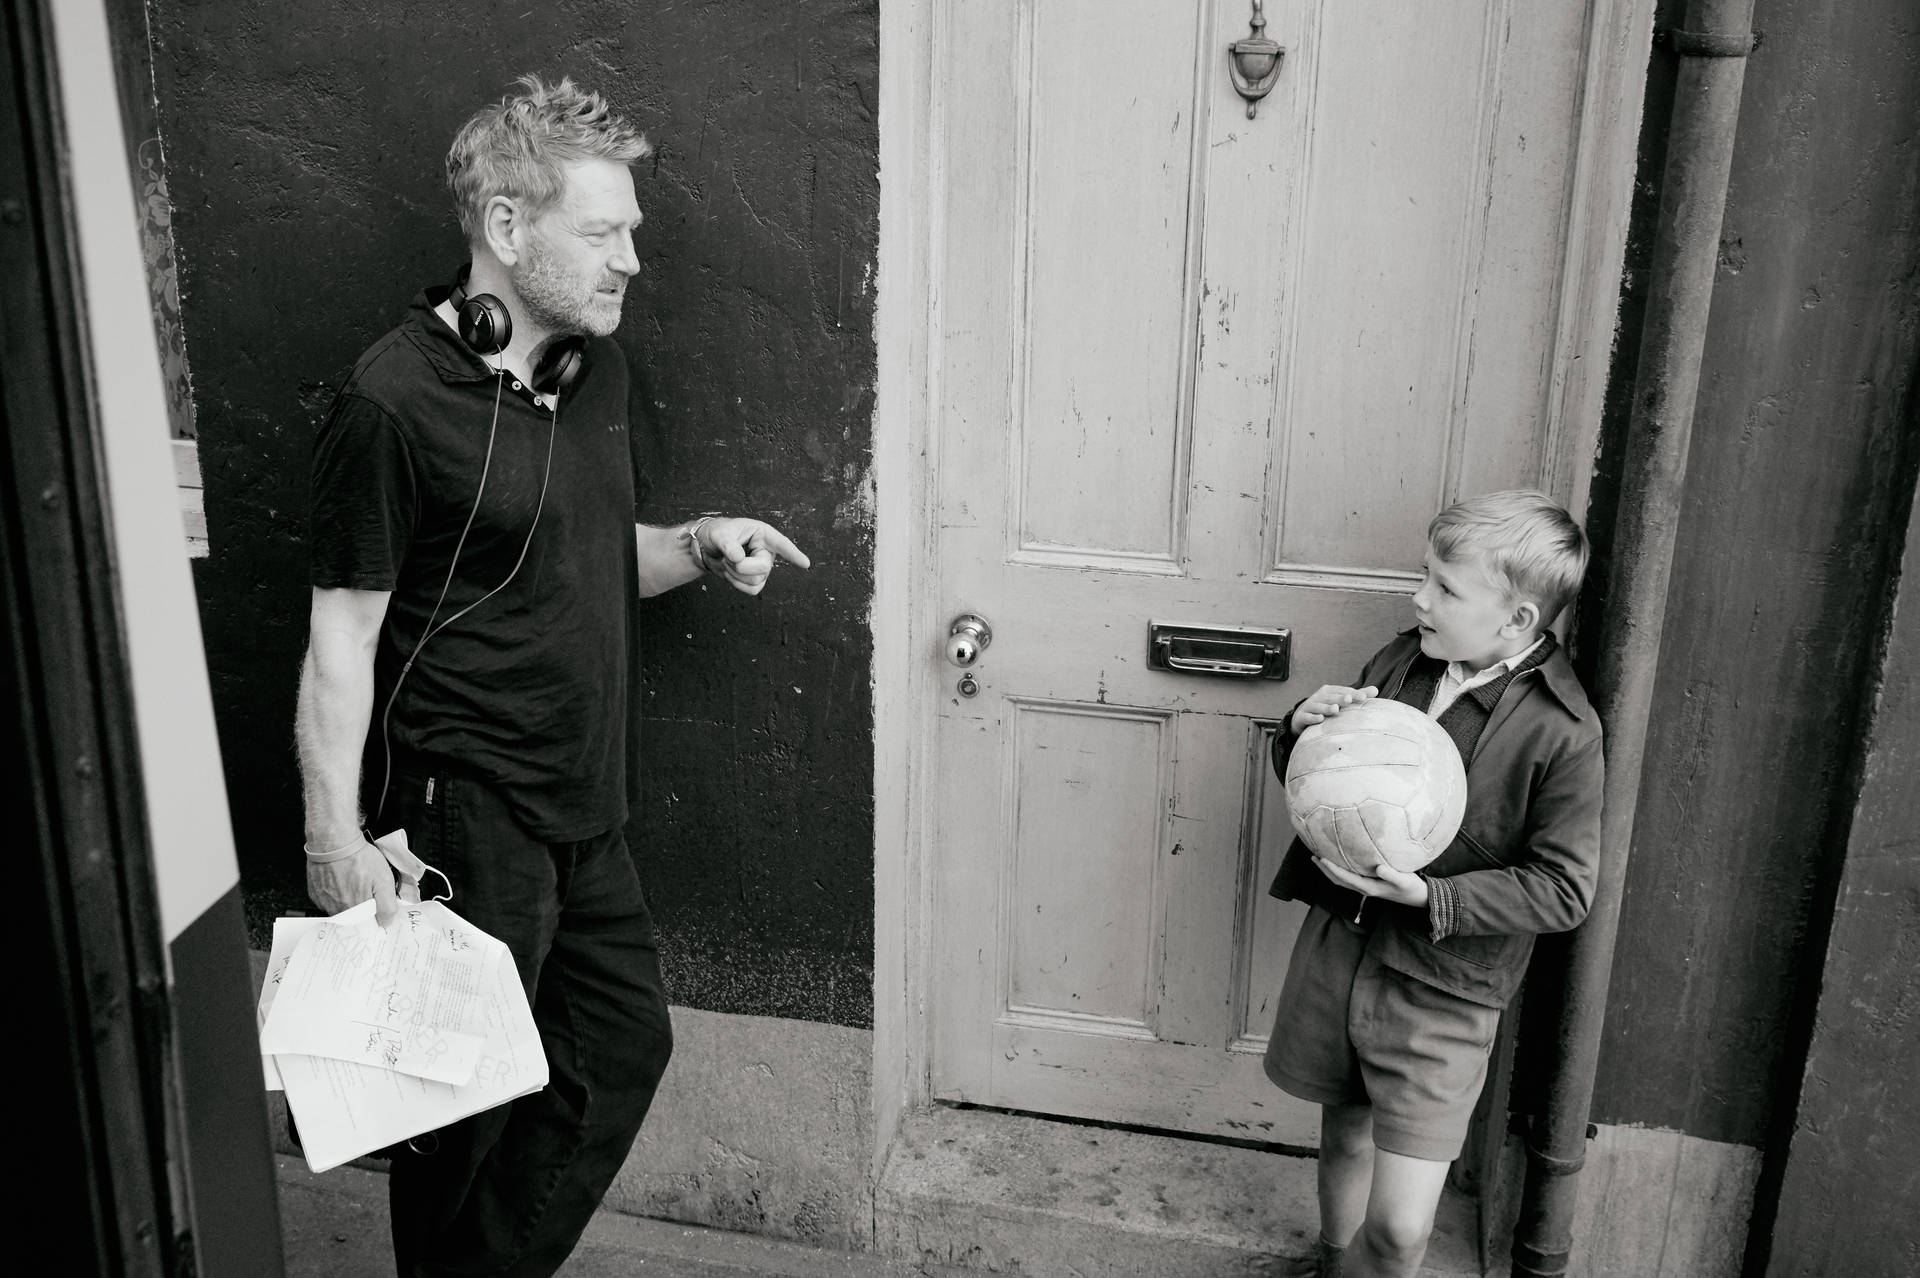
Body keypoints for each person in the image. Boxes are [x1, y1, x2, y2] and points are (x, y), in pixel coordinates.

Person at [293, 74, 809, 1277]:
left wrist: (696, 543)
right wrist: (331, 836)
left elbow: (576, 557)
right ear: (508, 230)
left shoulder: (593, 376)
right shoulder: (390, 402)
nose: (633, 258)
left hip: (588, 809)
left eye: (634, 231)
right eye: (605, 231)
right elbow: (340, 636)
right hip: (463, 818)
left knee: (618, 1052)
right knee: (454, 1116)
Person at [1263, 490, 1602, 1278]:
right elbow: (1326, 791)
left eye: (1446, 589)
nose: (1420, 598)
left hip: (1446, 991)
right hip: (1341, 949)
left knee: (1403, 1230)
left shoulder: (1563, 730)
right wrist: (1301, 731)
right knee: (1342, 1134)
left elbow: (1564, 890)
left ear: (1518, 619)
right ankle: (1329, 1266)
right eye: (1426, 577)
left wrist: (1434, 899)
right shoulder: (1400, 660)